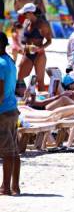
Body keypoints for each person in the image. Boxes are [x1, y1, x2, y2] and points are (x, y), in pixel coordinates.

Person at [0, 32, 20, 196]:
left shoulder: (0, 63)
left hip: (3, 111)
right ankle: (15, 186)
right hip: (12, 108)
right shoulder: (10, 61)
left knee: (7, 151)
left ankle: (5, 188)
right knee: (13, 150)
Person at [17, 3, 52, 91]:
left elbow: (49, 41)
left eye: (25, 14)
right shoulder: (26, 23)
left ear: (30, 13)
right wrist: (24, 47)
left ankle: (41, 103)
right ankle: (22, 96)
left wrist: (41, 48)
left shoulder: (42, 24)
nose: (23, 15)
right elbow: (23, 40)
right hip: (28, 53)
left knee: (40, 81)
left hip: (39, 55)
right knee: (20, 77)